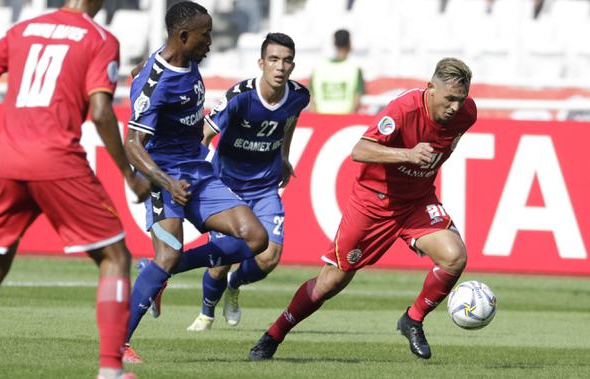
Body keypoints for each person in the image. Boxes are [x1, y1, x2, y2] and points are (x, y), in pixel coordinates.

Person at [0, 1, 149, 378]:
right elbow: (102, 112)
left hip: (7, 161)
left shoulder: (24, 29)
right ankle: (110, 370)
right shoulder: (100, 38)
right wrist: (129, 175)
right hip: (57, 160)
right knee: (115, 258)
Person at [249, 57, 477, 361]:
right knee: (332, 281)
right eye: (449, 99)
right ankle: (273, 335)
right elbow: (360, 150)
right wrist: (407, 154)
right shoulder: (405, 109)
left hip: (417, 201)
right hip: (374, 203)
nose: (455, 107)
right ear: (430, 89)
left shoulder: (467, 114)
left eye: (460, 100)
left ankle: (413, 318)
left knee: (455, 257)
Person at [122, 1, 268, 363]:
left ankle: (155, 272)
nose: (210, 42)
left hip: (197, 172)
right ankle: (117, 344)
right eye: (205, 36)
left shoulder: (183, 60)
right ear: (183, 35)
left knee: (256, 238)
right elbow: (132, 144)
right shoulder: (157, 82)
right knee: (167, 254)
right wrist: (164, 182)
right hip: (164, 176)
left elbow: (142, 73)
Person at [185, 33, 310, 332]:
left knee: (269, 257)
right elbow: (205, 133)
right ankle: (206, 314)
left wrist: (283, 156)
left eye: (287, 61)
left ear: (293, 65)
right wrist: (193, 174)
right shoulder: (239, 97)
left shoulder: (299, 96)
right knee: (220, 262)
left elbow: (289, 121)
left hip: (265, 187)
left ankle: (235, 284)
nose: (280, 67)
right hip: (227, 187)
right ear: (261, 63)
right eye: (274, 60)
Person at [309, 29, 365, 114]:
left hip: (321, 120)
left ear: (334, 44)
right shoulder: (355, 69)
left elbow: (311, 97)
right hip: (345, 121)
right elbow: (357, 97)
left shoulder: (318, 68)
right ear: (349, 44)